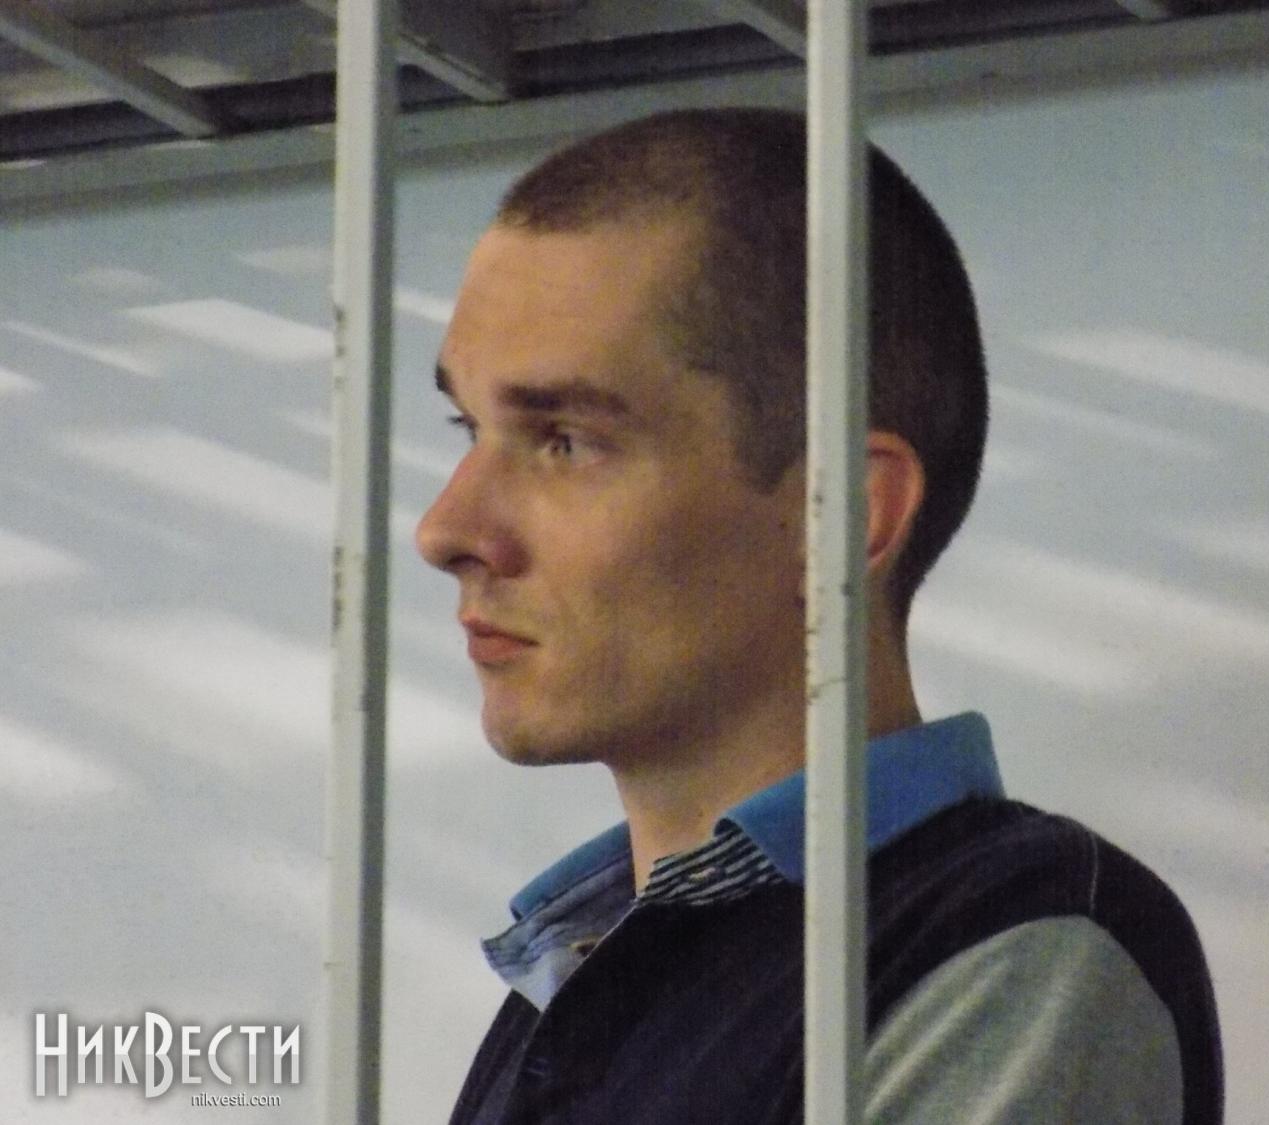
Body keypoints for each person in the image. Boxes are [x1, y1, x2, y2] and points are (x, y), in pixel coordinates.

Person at [416, 107, 1222, 1124]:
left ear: (838, 514)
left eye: (565, 441)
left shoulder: (1013, 944)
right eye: (468, 427)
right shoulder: (578, 966)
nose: (446, 528)